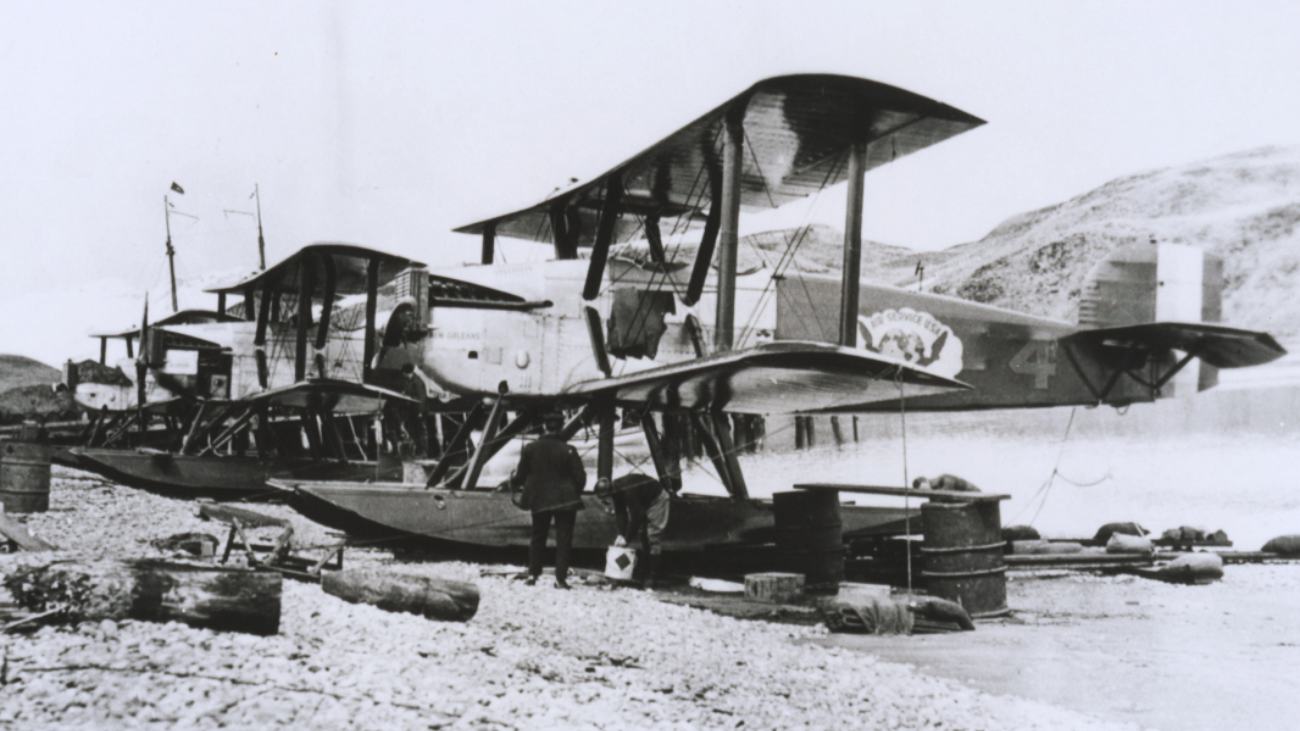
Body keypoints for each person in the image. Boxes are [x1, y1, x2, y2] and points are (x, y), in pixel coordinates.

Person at [513, 411, 586, 589]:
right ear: (561, 427)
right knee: (564, 539)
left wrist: (514, 484)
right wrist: (573, 492)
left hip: (539, 498)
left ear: (544, 426)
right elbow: (580, 478)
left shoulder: (530, 448)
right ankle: (560, 579)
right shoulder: (569, 450)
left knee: (538, 536)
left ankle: (532, 575)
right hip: (566, 500)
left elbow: (520, 475)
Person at [602, 472, 671, 588]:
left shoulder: (628, 491)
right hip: (644, 500)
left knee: (653, 536)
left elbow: (636, 516)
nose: (606, 505)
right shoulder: (615, 490)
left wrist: (627, 538)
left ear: (609, 493)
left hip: (657, 499)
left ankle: (652, 577)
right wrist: (620, 534)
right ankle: (644, 572)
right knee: (643, 536)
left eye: (606, 501)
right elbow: (621, 513)